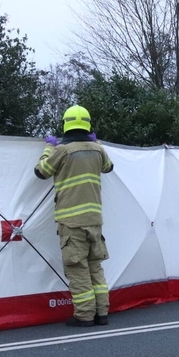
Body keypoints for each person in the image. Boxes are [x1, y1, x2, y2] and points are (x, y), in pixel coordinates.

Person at [34, 104, 114, 327]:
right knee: (95, 267)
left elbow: (41, 171)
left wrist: (48, 148)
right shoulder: (98, 150)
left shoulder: (62, 151)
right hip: (95, 220)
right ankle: (102, 313)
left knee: (77, 268)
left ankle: (85, 315)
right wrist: (97, 143)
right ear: (87, 125)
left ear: (66, 125)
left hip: (72, 222)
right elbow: (108, 167)